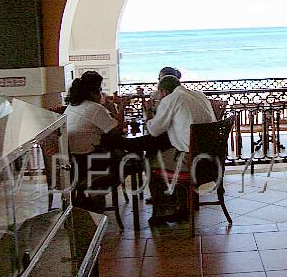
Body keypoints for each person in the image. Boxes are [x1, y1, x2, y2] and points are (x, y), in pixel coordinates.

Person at [126, 75, 216, 225]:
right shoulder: (198, 95)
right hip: (211, 161)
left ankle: (163, 211)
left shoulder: (171, 99)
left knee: (151, 161)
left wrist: (149, 112)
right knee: (169, 152)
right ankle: (182, 205)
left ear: (163, 92)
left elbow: (154, 130)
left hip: (191, 162)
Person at [64, 71, 125, 209]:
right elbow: (117, 130)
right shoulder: (95, 108)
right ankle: (97, 193)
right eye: (100, 90)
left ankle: (86, 197)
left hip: (71, 163)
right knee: (125, 162)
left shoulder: (72, 106)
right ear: (93, 92)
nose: (101, 93)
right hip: (88, 162)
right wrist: (118, 108)